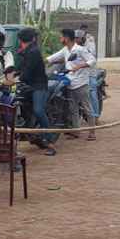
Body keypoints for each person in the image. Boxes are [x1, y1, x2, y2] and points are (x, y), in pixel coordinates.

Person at [48, 28, 97, 141]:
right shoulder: (65, 50)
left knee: (87, 108)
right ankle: (76, 131)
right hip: (70, 82)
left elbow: (92, 60)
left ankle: (92, 132)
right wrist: (44, 61)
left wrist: (79, 66)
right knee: (73, 109)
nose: (60, 39)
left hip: (81, 83)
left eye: (61, 37)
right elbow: (52, 58)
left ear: (66, 38)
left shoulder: (80, 49)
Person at [16, 27, 56, 156]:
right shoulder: (25, 51)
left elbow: (27, 72)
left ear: (20, 39)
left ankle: (50, 142)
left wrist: (16, 79)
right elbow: (20, 68)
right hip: (27, 86)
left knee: (38, 110)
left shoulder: (33, 51)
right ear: (33, 38)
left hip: (39, 86)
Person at [74, 30, 103, 120]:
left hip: (90, 73)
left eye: (78, 38)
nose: (76, 40)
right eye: (75, 38)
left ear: (83, 38)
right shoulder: (73, 46)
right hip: (78, 74)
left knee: (91, 92)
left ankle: (95, 116)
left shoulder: (90, 43)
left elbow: (91, 56)